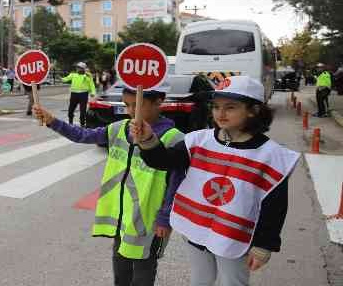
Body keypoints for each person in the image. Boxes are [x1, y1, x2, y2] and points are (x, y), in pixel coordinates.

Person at [130, 76, 300, 286]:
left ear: (253, 110)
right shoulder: (198, 140)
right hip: (196, 228)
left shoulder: (272, 156)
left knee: (233, 282)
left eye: (230, 107)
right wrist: (148, 139)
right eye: (216, 106)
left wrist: (264, 245)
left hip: (234, 236)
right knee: (200, 279)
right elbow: (164, 161)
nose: (220, 113)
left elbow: (275, 207)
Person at [33, 85, 184, 286]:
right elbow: (82, 135)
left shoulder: (174, 138)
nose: (132, 111)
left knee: (143, 270)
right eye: (127, 105)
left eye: (138, 105)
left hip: (149, 220)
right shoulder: (119, 128)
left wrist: (165, 218)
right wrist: (52, 121)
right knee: (120, 265)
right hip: (122, 216)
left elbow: (175, 184)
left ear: (159, 102)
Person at [62, 62, 96, 126]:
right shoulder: (73, 75)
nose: (77, 69)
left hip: (83, 95)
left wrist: (93, 92)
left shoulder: (87, 76)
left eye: (78, 67)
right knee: (70, 110)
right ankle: (70, 122)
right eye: (77, 67)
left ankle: (82, 124)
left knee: (82, 110)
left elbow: (91, 84)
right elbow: (65, 79)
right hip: (74, 94)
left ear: (83, 68)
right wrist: (60, 78)